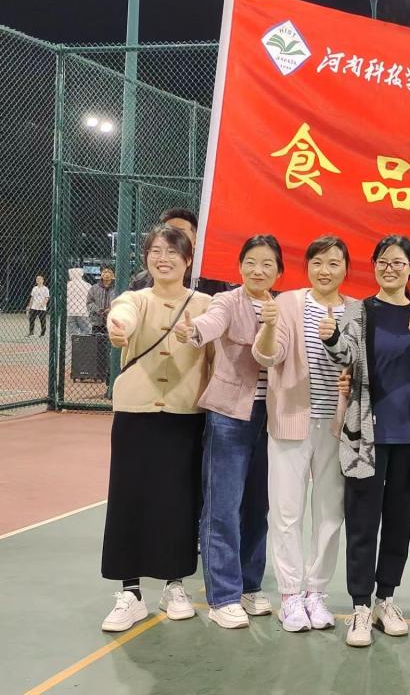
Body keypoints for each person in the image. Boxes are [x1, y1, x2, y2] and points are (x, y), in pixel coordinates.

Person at [321, 235, 410, 648]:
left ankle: (386, 598)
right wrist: (332, 338)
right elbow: (346, 357)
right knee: (363, 522)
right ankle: (359, 606)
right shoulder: (359, 310)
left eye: (398, 262)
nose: (390, 269)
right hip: (365, 436)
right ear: (374, 266)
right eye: (383, 262)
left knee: (400, 523)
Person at [99, 225, 212, 633]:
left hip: (185, 414)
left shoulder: (205, 304)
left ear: (188, 260)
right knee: (128, 497)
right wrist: (118, 326)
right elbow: (122, 314)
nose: (163, 259)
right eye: (155, 251)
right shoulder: (136, 298)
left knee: (178, 500)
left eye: (172, 252)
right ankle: (130, 592)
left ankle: (174, 584)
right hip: (135, 413)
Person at [173, 235, 284, 629]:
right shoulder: (226, 301)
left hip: (271, 421)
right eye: (251, 262)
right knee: (222, 506)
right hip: (229, 417)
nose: (258, 270)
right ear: (239, 267)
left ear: (279, 272)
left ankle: (250, 585)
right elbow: (209, 323)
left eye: (267, 264)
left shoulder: (281, 307)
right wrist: (193, 332)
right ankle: (222, 596)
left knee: (258, 507)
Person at [253, 235, 355, 632]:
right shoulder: (287, 304)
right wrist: (268, 327)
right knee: (286, 512)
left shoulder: (356, 310)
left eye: (333, 263)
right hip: (290, 421)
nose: (324, 270)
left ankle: (316, 592)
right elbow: (268, 355)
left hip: (337, 428)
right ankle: (290, 596)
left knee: (330, 513)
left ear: (346, 268)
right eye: (317, 263)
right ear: (307, 267)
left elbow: (361, 364)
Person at [129, 208, 233, 295]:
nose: (174, 238)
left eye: (180, 232)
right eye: (168, 232)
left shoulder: (212, 283)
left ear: (196, 241)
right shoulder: (141, 282)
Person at [88, 265, 118, 332]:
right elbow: (89, 302)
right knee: (96, 338)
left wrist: (111, 309)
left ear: (113, 275)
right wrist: (98, 310)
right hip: (97, 321)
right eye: (104, 272)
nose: (107, 274)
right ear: (101, 274)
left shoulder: (117, 288)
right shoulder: (94, 288)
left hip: (112, 321)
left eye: (109, 272)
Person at [66, 267, 91, 336]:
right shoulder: (87, 285)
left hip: (71, 311)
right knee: (86, 332)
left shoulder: (68, 285)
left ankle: (74, 342)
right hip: (83, 311)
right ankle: (85, 342)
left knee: (72, 333)